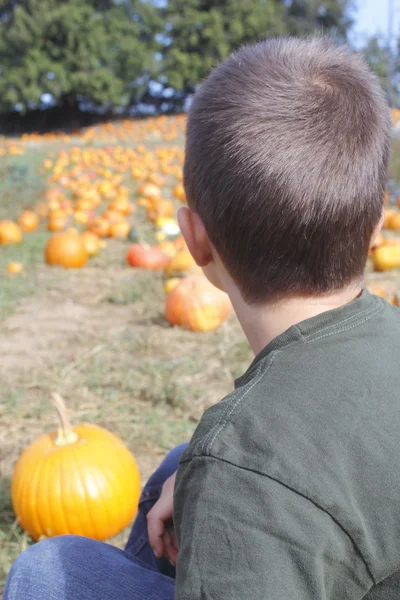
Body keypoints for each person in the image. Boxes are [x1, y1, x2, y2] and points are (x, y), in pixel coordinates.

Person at [4, 35, 400, 599]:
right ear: (375, 226)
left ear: (195, 240)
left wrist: (226, 476)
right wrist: (200, 468)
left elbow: (255, 471)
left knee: (48, 570)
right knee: (178, 466)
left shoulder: (244, 465)